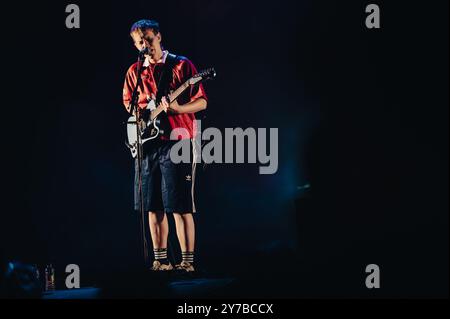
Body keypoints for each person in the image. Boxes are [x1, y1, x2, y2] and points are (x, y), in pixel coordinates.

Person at [122, 19, 207, 272]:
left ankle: (187, 263)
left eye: (148, 38)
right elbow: (129, 103)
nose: (144, 45)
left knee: (180, 205)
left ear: (158, 36)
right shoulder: (134, 72)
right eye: (139, 42)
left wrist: (179, 107)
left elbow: (202, 102)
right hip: (148, 145)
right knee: (152, 205)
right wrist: (142, 113)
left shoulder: (181, 65)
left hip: (179, 140)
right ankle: (161, 261)